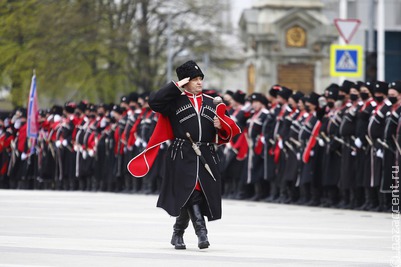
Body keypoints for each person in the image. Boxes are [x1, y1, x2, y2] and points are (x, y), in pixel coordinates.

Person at [128, 60, 240, 250]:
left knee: (194, 193)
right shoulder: (174, 102)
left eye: (200, 79)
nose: (199, 83)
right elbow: (154, 101)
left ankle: (177, 232)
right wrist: (176, 85)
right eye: (194, 79)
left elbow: (228, 129)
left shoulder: (212, 102)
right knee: (191, 192)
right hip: (182, 153)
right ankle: (201, 231)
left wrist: (221, 127)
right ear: (185, 81)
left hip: (206, 153)